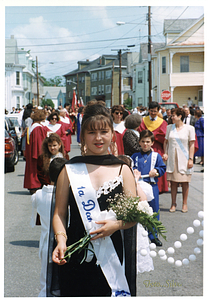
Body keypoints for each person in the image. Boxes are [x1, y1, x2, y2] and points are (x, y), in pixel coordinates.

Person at [48, 103, 143, 297]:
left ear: (111, 134)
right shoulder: (69, 170)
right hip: (73, 252)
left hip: (111, 255)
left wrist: (116, 225)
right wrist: (61, 240)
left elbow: (135, 215)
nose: (98, 138)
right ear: (82, 136)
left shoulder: (122, 170)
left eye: (103, 131)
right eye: (92, 132)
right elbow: (59, 213)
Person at [31, 157, 68, 297]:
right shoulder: (67, 196)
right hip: (63, 239)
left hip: (46, 241)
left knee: (45, 278)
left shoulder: (38, 195)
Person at [131, 130, 166, 246]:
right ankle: (140, 236)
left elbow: (162, 168)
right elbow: (130, 167)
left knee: (153, 211)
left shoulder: (156, 156)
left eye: (148, 142)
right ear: (139, 142)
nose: (145, 144)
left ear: (152, 143)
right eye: (143, 142)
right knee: (139, 210)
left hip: (152, 186)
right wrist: (134, 170)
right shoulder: (135, 156)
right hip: (139, 187)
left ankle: (153, 236)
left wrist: (156, 171)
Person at [162, 108, 195, 213]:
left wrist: (190, 158)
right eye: (171, 115)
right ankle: (173, 203)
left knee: (185, 181)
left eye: (174, 115)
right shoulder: (169, 128)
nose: (172, 117)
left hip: (184, 158)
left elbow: (192, 145)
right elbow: (165, 142)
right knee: (173, 182)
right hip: (172, 158)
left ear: (180, 116)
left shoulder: (189, 128)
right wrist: (165, 152)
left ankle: (184, 203)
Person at [138, 101, 168, 194]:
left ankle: (159, 188)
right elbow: (140, 133)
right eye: (151, 111)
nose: (153, 113)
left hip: (157, 147)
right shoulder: (143, 120)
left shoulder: (162, 122)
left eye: (155, 111)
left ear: (158, 110)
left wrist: (153, 136)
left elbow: (165, 137)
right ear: (148, 110)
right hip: (144, 147)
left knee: (157, 167)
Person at [24, 109, 47, 194]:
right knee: (35, 169)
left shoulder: (32, 126)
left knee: (31, 168)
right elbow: (39, 141)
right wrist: (41, 153)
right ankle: (35, 185)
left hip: (31, 151)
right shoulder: (37, 127)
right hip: (36, 151)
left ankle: (32, 185)